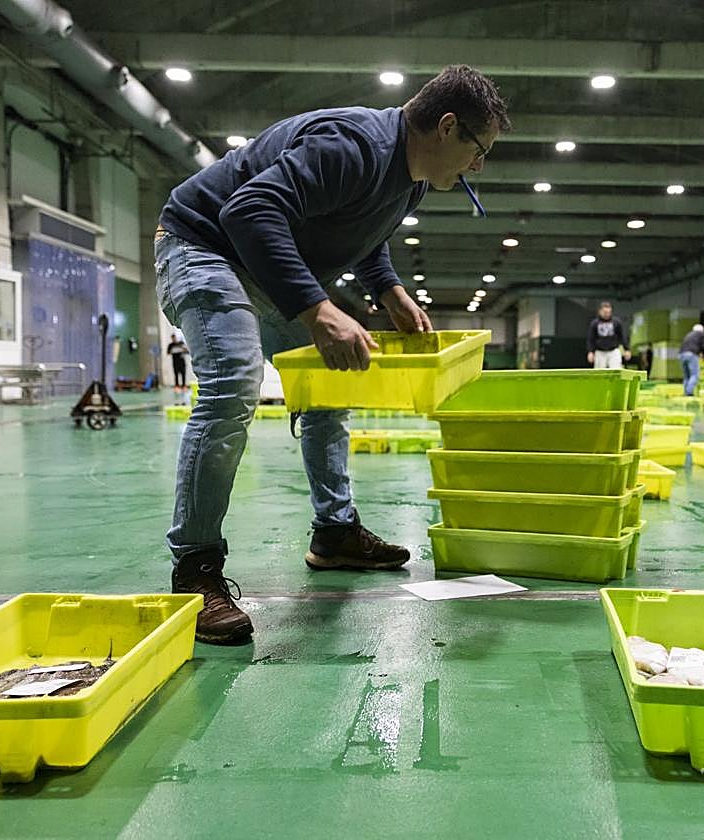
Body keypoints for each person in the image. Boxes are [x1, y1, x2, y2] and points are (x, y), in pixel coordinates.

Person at [155, 65, 511, 644]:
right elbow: (248, 211)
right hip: (204, 244)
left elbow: (364, 229)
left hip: (263, 265)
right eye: (479, 150)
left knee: (330, 389)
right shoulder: (353, 146)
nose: (478, 166)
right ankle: (195, 572)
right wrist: (319, 311)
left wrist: (389, 289)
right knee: (233, 383)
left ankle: (335, 533)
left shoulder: (411, 176)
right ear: (447, 127)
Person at [586, 301, 629, 369]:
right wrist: (590, 352)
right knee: (599, 373)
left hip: (614, 351)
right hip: (600, 351)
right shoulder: (595, 323)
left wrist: (626, 349)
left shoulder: (616, 322)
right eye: (605, 312)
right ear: (600, 311)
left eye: (609, 312)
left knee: (617, 370)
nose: (607, 314)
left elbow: (622, 336)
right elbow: (591, 338)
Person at [679, 324, 704, 396]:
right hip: (691, 354)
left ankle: (685, 392)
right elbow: (703, 346)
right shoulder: (701, 334)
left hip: (682, 354)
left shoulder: (689, 335)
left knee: (686, 375)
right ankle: (689, 392)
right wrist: (703, 356)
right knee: (694, 375)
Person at [166, 333, 189, 403]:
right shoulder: (171, 345)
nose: (174, 339)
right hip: (175, 362)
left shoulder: (181, 343)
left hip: (182, 362)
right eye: (172, 338)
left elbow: (187, 351)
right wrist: (173, 350)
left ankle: (184, 386)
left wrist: (183, 349)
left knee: (183, 374)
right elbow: (168, 352)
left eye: (174, 337)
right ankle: (177, 386)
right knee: (176, 374)